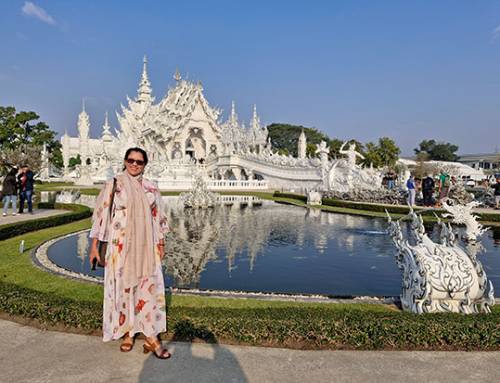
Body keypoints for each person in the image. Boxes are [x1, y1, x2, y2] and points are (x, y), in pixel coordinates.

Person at [89, 147, 171, 359]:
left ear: (145, 164)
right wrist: (94, 246)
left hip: (146, 246)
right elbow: (101, 217)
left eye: (139, 162)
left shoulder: (151, 188)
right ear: (125, 161)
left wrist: (161, 243)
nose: (135, 164)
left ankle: (152, 337)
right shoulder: (114, 185)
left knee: (148, 289)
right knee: (124, 288)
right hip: (120, 246)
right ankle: (128, 333)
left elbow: (158, 218)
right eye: (131, 160)